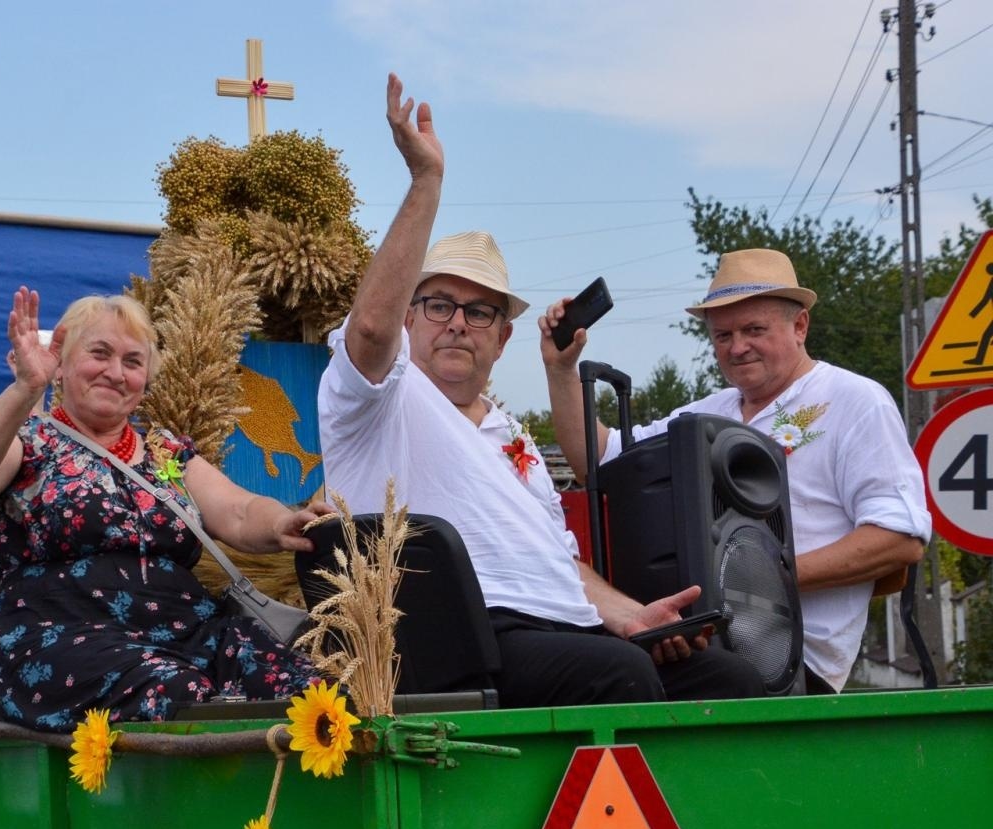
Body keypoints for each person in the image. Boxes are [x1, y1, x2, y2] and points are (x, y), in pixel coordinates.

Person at [316, 75, 764, 709]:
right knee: (619, 677)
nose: (456, 323)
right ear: (410, 318)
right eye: (439, 303)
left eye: (479, 313)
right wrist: (425, 184)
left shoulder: (514, 438)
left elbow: (562, 566)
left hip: (563, 629)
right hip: (451, 639)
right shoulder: (378, 399)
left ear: (502, 339)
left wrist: (633, 615)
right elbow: (367, 328)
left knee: (731, 680)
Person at [0, 288, 330, 730]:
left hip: (184, 630)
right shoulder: (28, 439)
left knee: (310, 690)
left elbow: (238, 510)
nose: (115, 373)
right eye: (99, 354)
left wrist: (281, 521)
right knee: (182, 693)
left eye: (132, 361)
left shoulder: (166, 453)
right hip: (60, 638)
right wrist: (27, 388)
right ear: (60, 365)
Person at [543, 249, 930, 693]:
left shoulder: (854, 400)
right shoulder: (708, 412)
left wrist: (762, 581)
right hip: (707, 647)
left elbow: (900, 538)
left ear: (800, 325)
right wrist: (561, 369)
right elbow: (603, 462)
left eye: (754, 330)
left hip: (794, 664)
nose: (737, 346)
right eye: (722, 335)